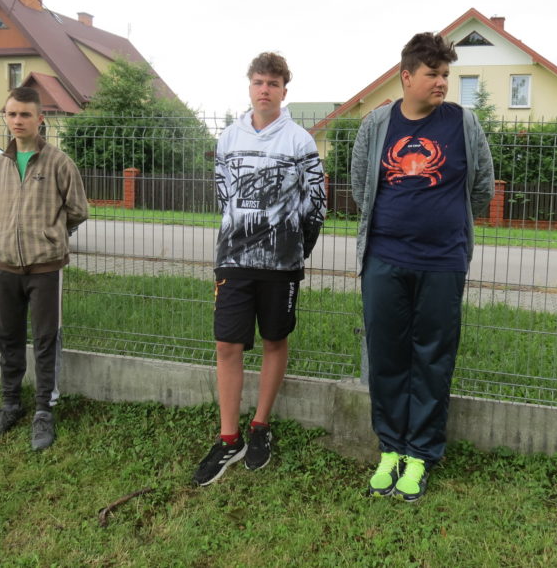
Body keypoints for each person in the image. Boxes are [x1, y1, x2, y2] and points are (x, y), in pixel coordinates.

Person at [350, 32, 494, 501]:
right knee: (387, 356)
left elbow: (483, 187)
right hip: (384, 260)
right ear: (407, 76)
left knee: (433, 358)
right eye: (433, 74)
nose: (442, 82)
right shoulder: (376, 124)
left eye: (446, 74)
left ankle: (420, 454)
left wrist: (445, 224)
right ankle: (390, 447)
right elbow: (360, 184)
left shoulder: (463, 123)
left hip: (443, 262)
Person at [193, 52, 327, 486]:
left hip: (281, 263)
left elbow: (317, 204)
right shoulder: (229, 138)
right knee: (226, 345)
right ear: (249, 86)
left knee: (274, 340)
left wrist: (295, 248)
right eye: (258, 82)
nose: (265, 89)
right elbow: (224, 196)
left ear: (285, 90)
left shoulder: (300, 142)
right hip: (234, 259)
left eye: (273, 83)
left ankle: (260, 426)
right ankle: (228, 438)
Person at [0, 86, 89, 451]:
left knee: (45, 339)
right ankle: (10, 404)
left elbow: (78, 209)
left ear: (40, 118)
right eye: (12, 114)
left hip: (45, 269)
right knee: (7, 336)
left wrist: (50, 235)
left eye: (25, 114)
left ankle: (43, 411)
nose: (18, 120)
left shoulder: (58, 162)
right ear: (5, 117)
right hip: (6, 267)